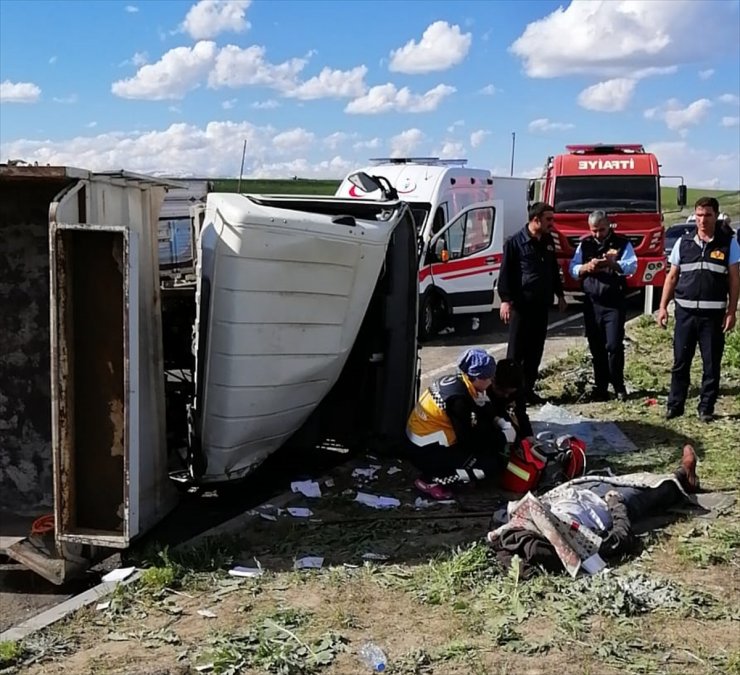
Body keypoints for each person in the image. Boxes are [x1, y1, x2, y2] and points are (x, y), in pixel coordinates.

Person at [487, 445, 699, 577]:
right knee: (649, 489)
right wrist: (616, 506)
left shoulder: (515, 530)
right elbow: (620, 537)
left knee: (624, 477)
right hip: (602, 507)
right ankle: (683, 477)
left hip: (573, 494)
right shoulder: (582, 543)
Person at [405, 349, 531, 500]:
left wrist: (497, 420)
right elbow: (470, 441)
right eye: (489, 378)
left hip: (421, 441)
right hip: (425, 451)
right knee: (487, 466)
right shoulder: (458, 398)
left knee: (486, 452)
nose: (491, 382)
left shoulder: (458, 383)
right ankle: (431, 480)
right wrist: (502, 438)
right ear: (478, 378)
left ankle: (447, 472)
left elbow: (479, 414)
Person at [657, 196, 740, 423]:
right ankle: (675, 406)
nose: (703, 220)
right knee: (680, 362)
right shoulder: (683, 243)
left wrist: (731, 312)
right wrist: (662, 307)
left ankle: (706, 408)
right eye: (700, 215)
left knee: (711, 364)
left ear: (716, 216)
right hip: (685, 313)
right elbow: (671, 277)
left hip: (713, 316)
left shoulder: (728, 244)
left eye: (708, 215)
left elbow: (734, 280)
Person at [499, 202, 567, 404]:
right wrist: (505, 300)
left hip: (541, 305)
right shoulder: (515, 243)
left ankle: (527, 390)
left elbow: (553, 270)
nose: (552, 224)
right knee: (516, 352)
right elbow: (506, 274)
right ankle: (507, 393)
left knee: (535, 351)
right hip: (521, 306)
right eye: (549, 220)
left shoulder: (547, 241)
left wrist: (560, 295)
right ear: (536, 219)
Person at [568, 211, 637, 401]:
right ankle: (601, 386)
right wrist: (585, 268)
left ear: (609, 225)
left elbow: (632, 266)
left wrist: (613, 264)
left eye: (601, 230)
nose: (598, 234)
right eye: (594, 230)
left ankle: (618, 385)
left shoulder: (622, 243)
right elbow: (572, 268)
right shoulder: (585, 244)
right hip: (592, 303)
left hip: (614, 303)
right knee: (596, 346)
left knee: (614, 346)